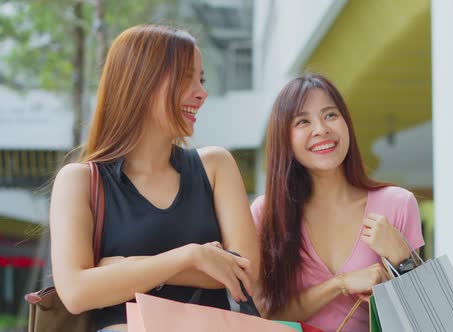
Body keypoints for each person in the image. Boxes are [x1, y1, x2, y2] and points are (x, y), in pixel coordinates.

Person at [49, 25, 259, 332]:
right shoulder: (79, 182)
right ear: (140, 82)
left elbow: (246, 275)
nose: (202, 93)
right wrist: (191, 256)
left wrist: (121, 268)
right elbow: (76, 293)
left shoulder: (216, 166)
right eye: (186, 77)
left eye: (201, 79)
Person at [251, 74, 424, 332]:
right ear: (284, 138)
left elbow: (421, 313)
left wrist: (402, 258)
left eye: (330, 115)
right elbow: (263, 312)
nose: (321, 129)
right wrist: (340, 284)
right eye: (303, 121)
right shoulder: (267, 213)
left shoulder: (397, 204)